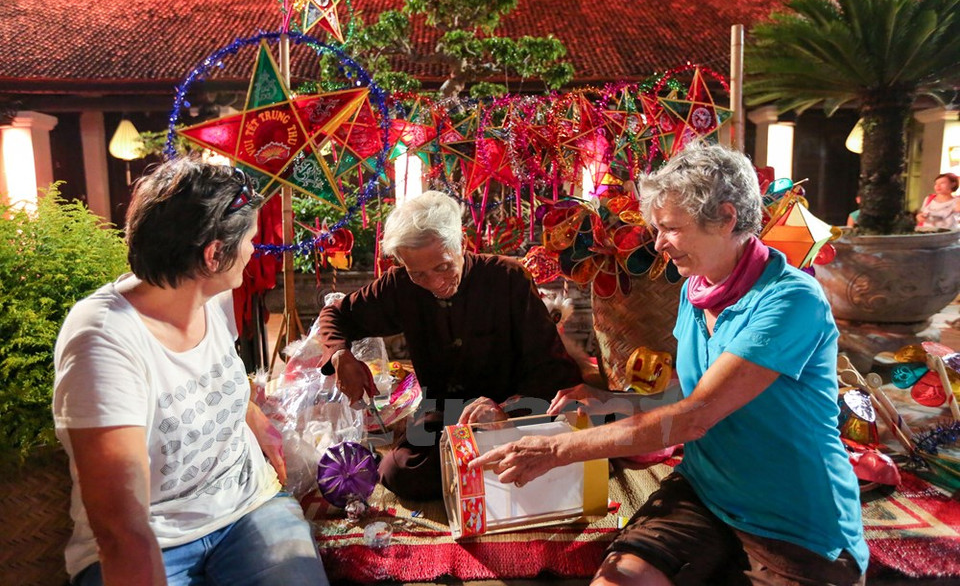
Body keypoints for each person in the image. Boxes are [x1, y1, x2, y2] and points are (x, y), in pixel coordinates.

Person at [473, 143, 868, 585]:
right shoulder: (696, 289)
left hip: (794, 515)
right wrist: (608, 400)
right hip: (707, 492)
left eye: (670, 229)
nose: (659, 244)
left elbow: (694, 418)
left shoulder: (790, 299)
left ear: (725, 218)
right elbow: (681, 394)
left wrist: (556, 451)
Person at [54, 159, 328, 586]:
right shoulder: (104, 339)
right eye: (251, 241)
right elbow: (120, 529)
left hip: (245, 508)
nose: (254, 251)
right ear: (214, 254)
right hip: (153, 538)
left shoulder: (209, 297)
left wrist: (251, 414)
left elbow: (217, 378)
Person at [317, 190, 580, 500]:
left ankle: (495, 466)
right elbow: (336, 315)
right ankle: (492, 471)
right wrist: (340, 355)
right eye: (419, 274)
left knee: (566, 448)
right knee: (397, 472)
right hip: (446, 415)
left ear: (462, 244)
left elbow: (552, 371)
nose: (434, 283)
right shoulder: (400, 285)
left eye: (442, 267)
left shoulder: (508, 278)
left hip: (517, 412)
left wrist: (504, 412)